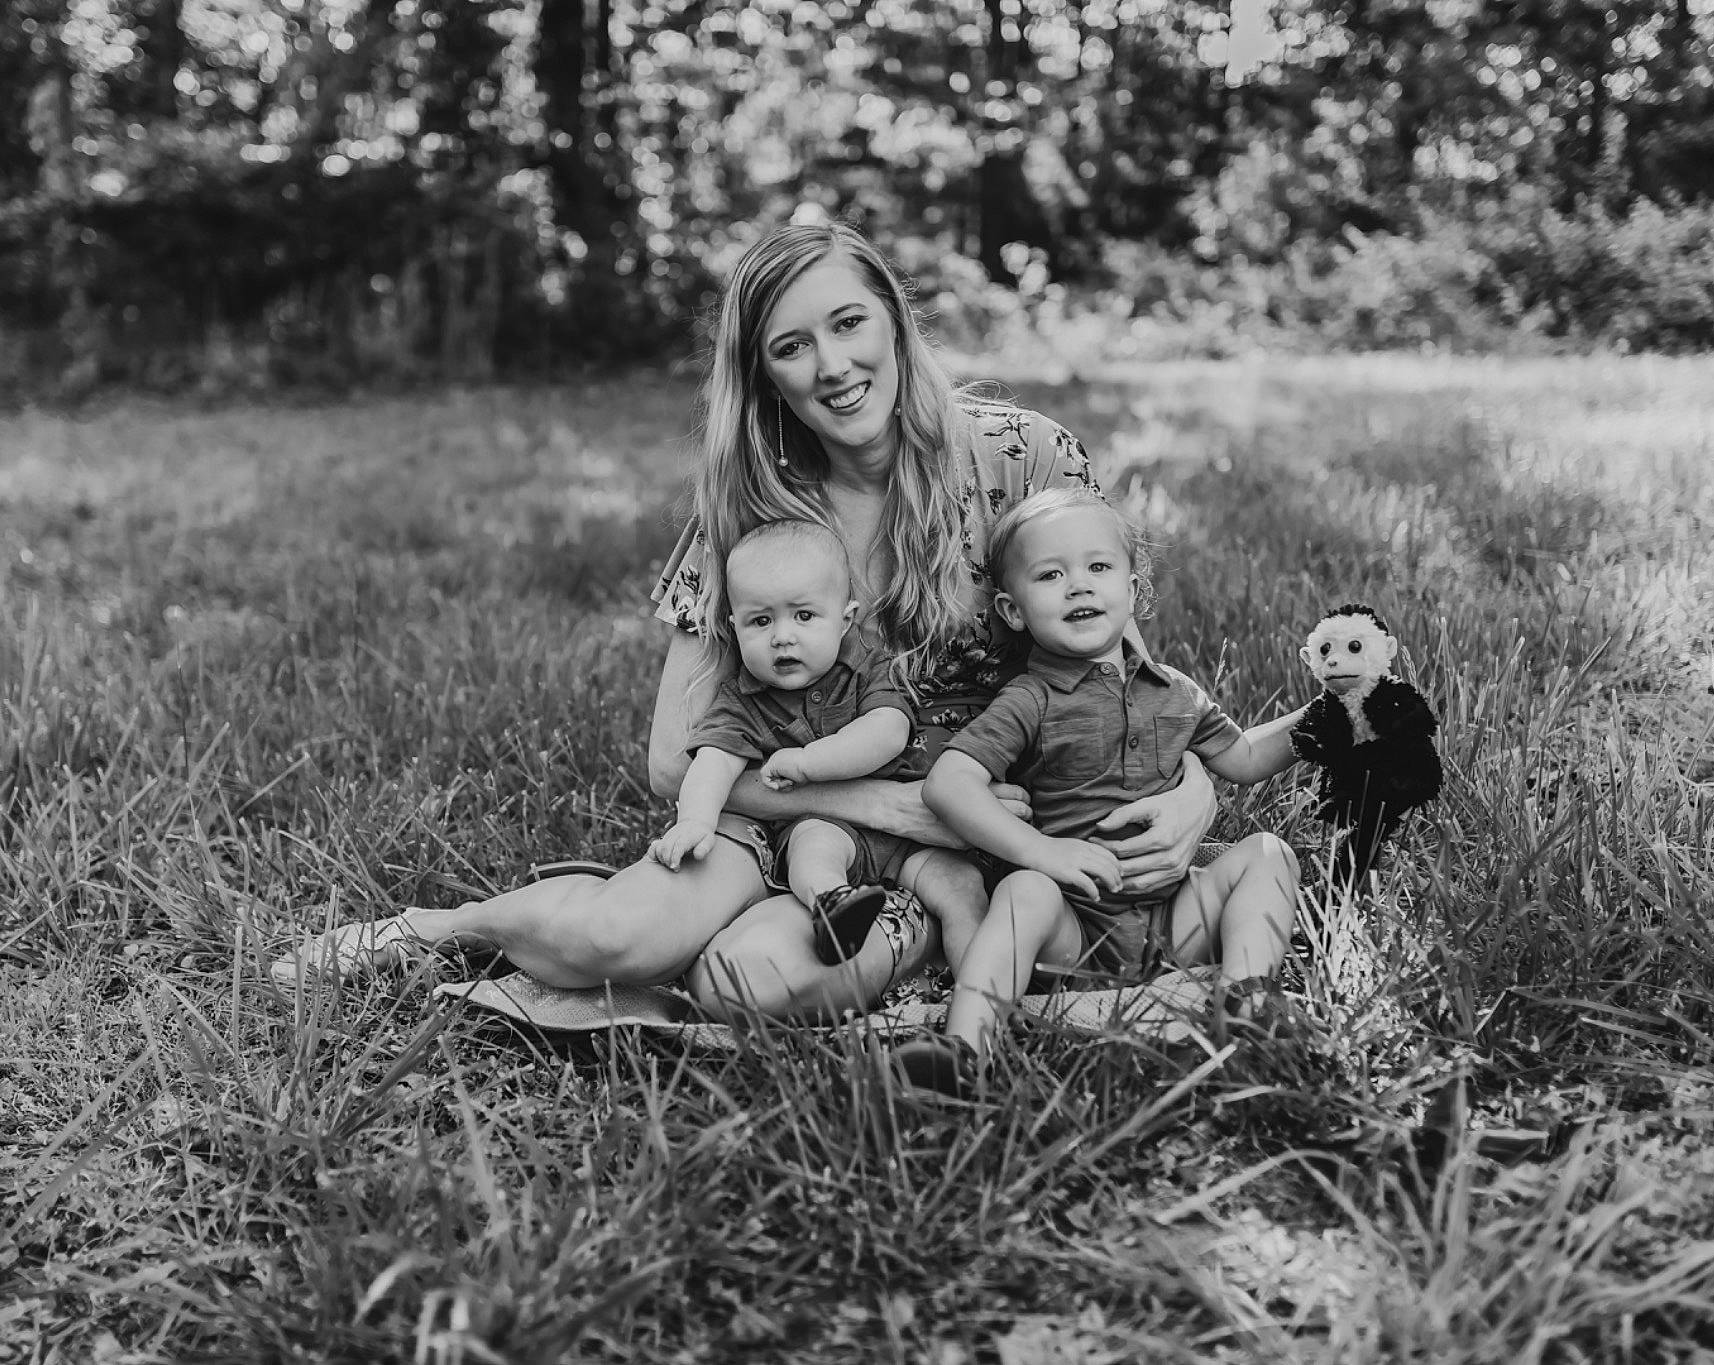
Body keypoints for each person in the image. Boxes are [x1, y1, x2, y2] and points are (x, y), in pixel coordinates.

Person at [271, 220, 1230, 1021]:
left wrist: (1197, 791)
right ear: (764, 373)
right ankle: (449, 929)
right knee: (612, 940)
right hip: (783, 820)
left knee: (746, 983)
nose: (836, 366)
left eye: (851, 323)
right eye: (793, 345)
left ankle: (831, 952)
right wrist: (876, 802)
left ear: (894, 319)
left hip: (981, 849)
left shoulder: (1024, 455)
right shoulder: (752, 514)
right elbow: (671, 757)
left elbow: (1123, 679)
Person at [897, 489, 1303, 1092]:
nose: (1079, 586)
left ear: (1134, 592)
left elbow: (1243, 758)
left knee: (1270, 854)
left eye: (1098, 567)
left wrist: (1335, 713)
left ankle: (1246, 1002)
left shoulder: (1175, 692)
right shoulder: (1029, 700)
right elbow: (949, 785)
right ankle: (964, 1051)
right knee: (1024, 890)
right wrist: (1042, 854)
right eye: (1051, 574)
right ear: (1013, 611)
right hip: (1076, 930)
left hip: (1174, 920)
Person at [650, 517, 959, 966]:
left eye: (804, 616)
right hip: (828, 828)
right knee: (812, 850)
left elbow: (887, 732)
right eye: (760, 621)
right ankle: (835, 908)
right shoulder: (743, 700)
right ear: (734, 629)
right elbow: (714, 761)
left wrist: (807, 763)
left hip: (915, 838)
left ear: (845, 620)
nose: (782, 636)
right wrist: (696, 820)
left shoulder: (867, 669)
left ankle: (984, 988)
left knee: (962, 892)